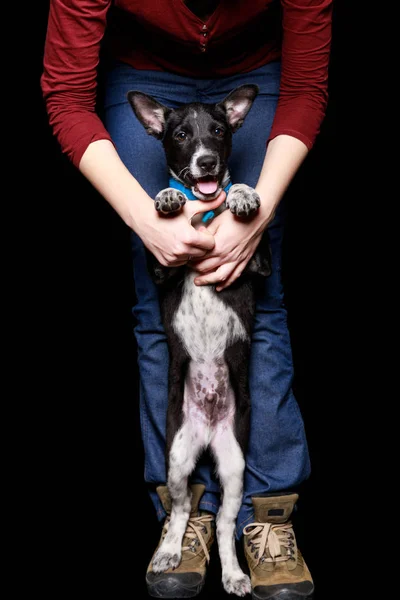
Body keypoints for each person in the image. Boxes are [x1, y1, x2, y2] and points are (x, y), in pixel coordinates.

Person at [41, 1, 332, 598]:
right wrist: (143, 220)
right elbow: (67, 96)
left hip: (259, 72)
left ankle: (269, 514)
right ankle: (183, 512)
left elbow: (306, 85)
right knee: (159, 309)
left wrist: (261, 210)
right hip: (145, 77)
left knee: (258, 299)